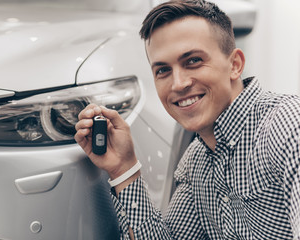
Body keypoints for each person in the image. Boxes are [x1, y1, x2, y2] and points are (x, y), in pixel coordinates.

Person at [75, 0, 300, 239]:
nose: (178, 84)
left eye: (193, 61)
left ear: (235, 65)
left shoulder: (287, 124)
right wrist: (124, 167)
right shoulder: (195, 163)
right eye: (163, 70)